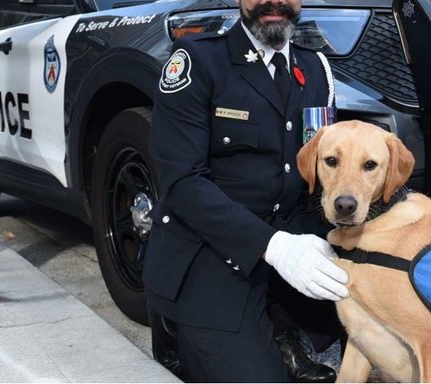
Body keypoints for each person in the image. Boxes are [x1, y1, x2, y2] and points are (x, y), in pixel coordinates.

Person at [143, 0, 349, 381]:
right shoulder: (199, 62)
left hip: (293, 246)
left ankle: (280, 323)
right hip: (214, 256)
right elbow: (183, 182)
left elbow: (325, 171)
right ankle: (177, 332)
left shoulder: (316, 68)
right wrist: (275, 247)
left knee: (393, 330)